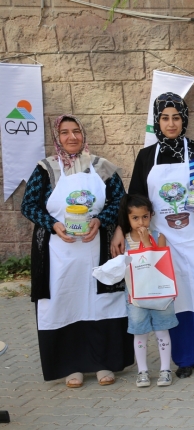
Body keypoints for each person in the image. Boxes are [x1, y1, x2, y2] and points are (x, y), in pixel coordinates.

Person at [114, 93, 194, 380]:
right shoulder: (145, 157)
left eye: (176, 117)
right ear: (157, 122)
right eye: (165, 118)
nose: (171, 123)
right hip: (164, 242)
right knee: (177, 298)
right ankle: (184, 359)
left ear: (184, 119)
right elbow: (134, 201)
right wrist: (127, 229)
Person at [21, 114, 133, 388]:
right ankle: (72, 366)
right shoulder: (45, 169)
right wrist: (54, 225)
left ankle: (104, 363)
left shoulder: (101, 167)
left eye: (76, 132)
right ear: (57, 138)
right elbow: (29, 205)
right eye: (64, 132)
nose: (72, 137)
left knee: (101, 302)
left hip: (98, 248)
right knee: (65, 301)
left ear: (83, 135)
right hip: (58, 253)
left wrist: (100, 221)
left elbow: (120, 201)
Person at [119, 194, 178, 387]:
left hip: (160, 295)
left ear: (151, 215)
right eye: (135, 218)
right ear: (127, 219)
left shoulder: (158, 236)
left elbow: (159, 259)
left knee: (162, 331)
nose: (140, 222)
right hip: (136, 296)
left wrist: (146, 243)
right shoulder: (125, 240)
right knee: (139, 333)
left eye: (144, 216)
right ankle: (142, 371)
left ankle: (165, 369)